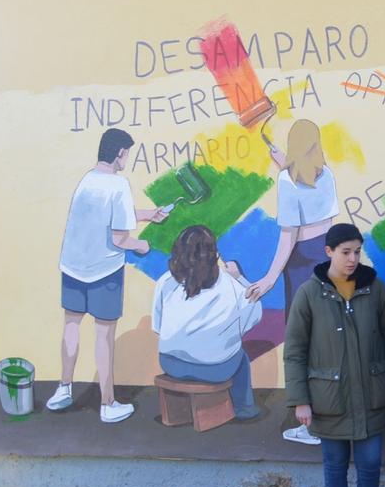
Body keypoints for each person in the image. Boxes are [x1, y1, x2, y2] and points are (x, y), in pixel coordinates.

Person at [284, 223, 385, 487]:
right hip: (327, 398)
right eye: (345, 251)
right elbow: (295, 351)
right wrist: (300, 399)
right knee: (334, 467)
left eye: (357, 251)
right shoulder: (309, 292)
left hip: (371, 395)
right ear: (329, 251)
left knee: (370, 466)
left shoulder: (374, 288)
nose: (352, 259)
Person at [49, 128, 166, 422]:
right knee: (104, 335)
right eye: (127, 153)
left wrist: (148, 214)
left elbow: (108, 213)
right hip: (103, 271)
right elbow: (119, 239)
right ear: (120, 154)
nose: (127, 158)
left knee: (71, 326)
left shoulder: (88, 180)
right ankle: (108, 404)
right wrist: (142, 245)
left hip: (74, 266)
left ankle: (64, 389)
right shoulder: (118, 184)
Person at [245, 119, 339, 445]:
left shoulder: (287, 179)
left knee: (301, 344)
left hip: (299, 263)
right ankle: (329, 414)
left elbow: (289, 235)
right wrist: (283, 162)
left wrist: (269, 279)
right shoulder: (326, 174)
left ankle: (309, 424)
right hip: (326, 257)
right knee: (327, 337)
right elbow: (320, 213)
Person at [152, 225, 263, 420]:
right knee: (241, 357)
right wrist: (240, 278)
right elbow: (254, 315)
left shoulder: (165, 282)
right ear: (214, 255)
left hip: (170, 364)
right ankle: (244, 409)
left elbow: (158, 326)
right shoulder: (229, 283)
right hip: (215, 370)